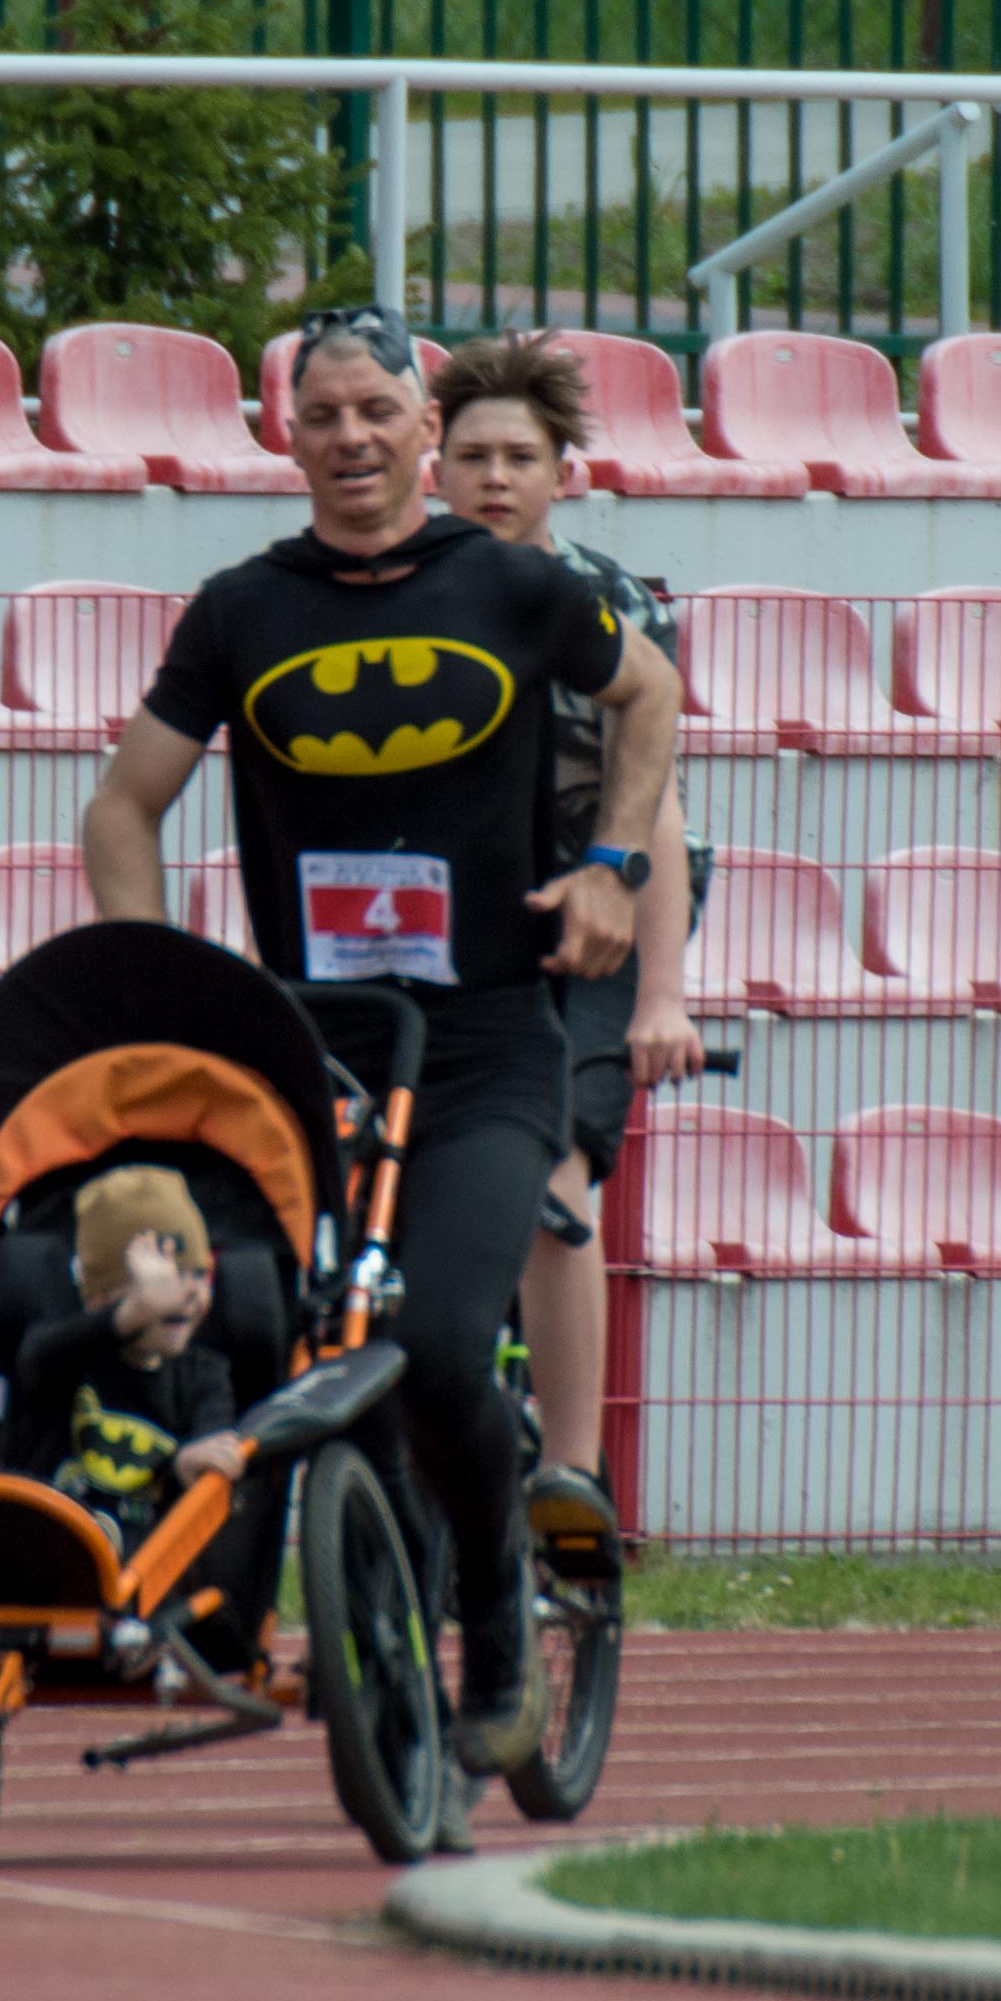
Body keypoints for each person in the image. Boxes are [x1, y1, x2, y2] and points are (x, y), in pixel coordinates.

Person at [79, 301, 684, 1813]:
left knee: (429, 1335)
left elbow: (650, 694)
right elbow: (119, 809)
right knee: (271, 1331)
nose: (349, 438)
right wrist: (155, 978)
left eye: (375, 412)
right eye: (319, 415)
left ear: (425, 428)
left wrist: (610, 862)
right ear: (287, 437)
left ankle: (494, 1606)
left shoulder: (514, 583)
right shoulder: (239, 609)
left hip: (484, 1040)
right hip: (308, 1045)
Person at [426, 336, 706, 1539]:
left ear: (561, 474)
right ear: (432, 467)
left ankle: (574, 1482)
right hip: (448, 914)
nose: (496, 477)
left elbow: (659, 815)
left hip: (594, 894)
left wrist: (662, 998)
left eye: (519, 457)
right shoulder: (395, 592)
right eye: (473, 456)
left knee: (555, 1176)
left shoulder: (614, 603)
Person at [7, 1166, 243, 1543]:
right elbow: (36, 1357)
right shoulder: (69, 1359)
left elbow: (213, 1427)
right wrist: (135, 1312)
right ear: (99, 1298)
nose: (181, 1294)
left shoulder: (204, 1374)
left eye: (197, 1274)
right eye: (159, 1282)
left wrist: (195, 1456)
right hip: (51, 1543)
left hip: (149, 1565)